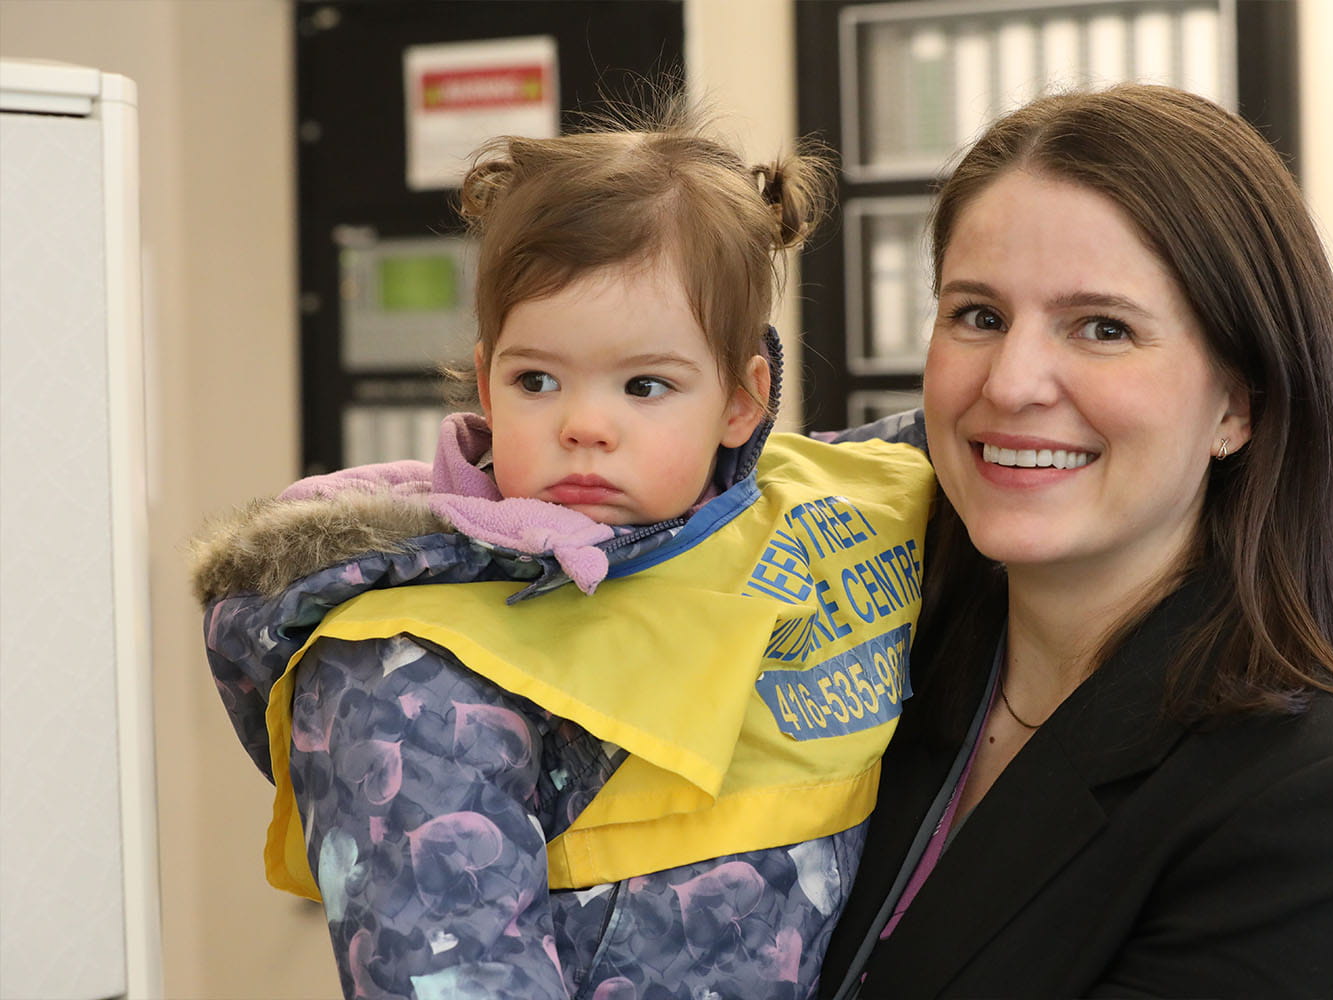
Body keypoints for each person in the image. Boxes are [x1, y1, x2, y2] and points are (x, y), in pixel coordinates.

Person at [191, 102, 934, 1000]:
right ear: (486, 383)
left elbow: (979, 445)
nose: (584, 425)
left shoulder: (830, 503)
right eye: (537, 379)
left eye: (645, 385)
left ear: (744, 399)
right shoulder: (406, 673)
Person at [817, 84, 1333, 999]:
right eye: (979, 316)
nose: (1011, 383)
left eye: (1103, 328)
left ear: (1237, 406)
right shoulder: (855, 658)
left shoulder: (1321, 808)